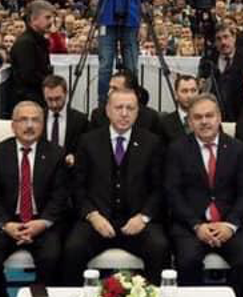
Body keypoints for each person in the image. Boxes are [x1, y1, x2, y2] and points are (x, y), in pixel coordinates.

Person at [164, 93, 243, 297]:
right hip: (191, 226)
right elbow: (173, 194)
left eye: (209, 116)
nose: (204, 121)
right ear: (190, 122)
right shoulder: (177, 149)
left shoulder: (238, 149)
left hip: (228, 224)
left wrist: (230, 225)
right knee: (187, 262)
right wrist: (197, 226)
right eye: (198, 117)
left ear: (219, 118)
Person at [0, 101, 68, 297]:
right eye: (23, 120)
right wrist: (6, 224)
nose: (29, 125)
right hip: (6, 223)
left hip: (42, 223)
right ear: (13, 125)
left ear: (43, 125)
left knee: (52, 258)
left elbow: (60, 196)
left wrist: (42, 223)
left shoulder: (56, 154)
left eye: (35, 120)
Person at [62, 86, 169, 284]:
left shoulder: (152, 143)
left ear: (138, 112)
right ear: (108, 110)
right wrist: (93, 216)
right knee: (72, 249)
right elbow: (77, 187)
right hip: (97, 220)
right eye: (119, 107)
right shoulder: (88, 141)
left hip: (137, 221)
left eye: (130, 108)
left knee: (160, 247)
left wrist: (143, 217)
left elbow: (159, 189)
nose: (124, 113)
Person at [87, 0, 150, 105]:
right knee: (105, 66)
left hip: (131, 22)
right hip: (107, 21)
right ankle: (103, 105)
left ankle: (131, 103)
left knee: (132, 68)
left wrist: (143, 24)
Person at [6, 0, 56, 112]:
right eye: (47, 17)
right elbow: (28, 75)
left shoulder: (38, 41)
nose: (51, 21)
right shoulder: (25, 43)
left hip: (37, 97)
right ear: (34, 19)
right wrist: (49, 82)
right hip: (27, 102)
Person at [198, 24, 243, 121]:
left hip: (241, 114)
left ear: (234, 38)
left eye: (226, 37)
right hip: (216, 115)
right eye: (218, 39)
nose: (223, 42)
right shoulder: (208, 60)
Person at [40, 75, 87, 161]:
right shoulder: (38, 118)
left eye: (58, 98)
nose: (54, 104)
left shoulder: (80, 120)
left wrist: (75, 157)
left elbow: (85, 150)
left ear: (66, 94)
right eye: (49, 99)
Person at [159, 74, 200, 142]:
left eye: (193, 91)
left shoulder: (207, 119)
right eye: (184, 91)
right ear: (175, 95)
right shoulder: (165, 124)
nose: (189, 95)